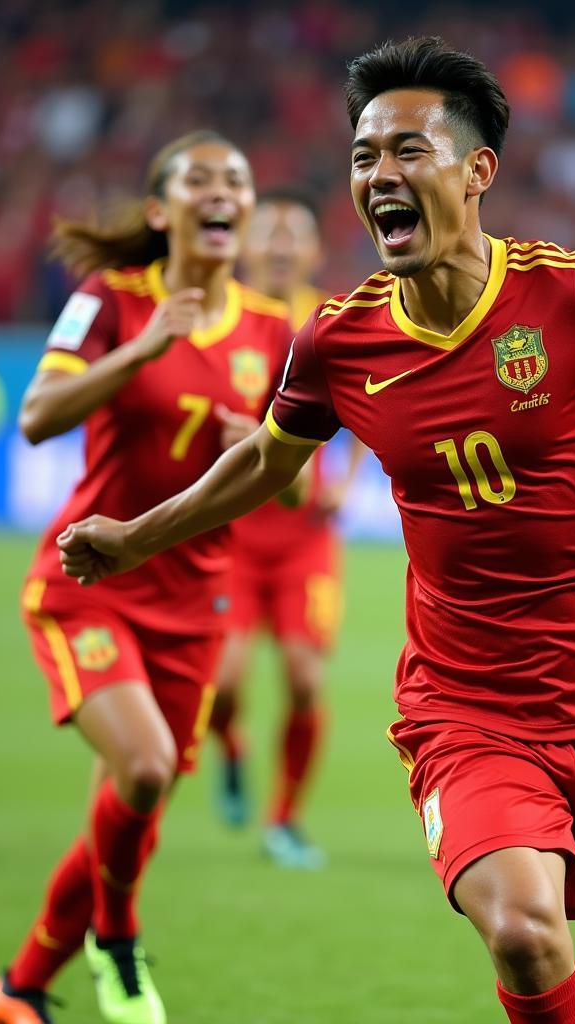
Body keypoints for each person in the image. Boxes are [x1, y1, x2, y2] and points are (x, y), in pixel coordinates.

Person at [56, 39, 575, 1024]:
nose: (379, 177)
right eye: (363, 158)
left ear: (477, 170)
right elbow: (266, 461)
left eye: (408, 151)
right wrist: (138, 535)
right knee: (527, 937)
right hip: (467, 705)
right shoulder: (338, 339)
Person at [0, 130, 292, 1024]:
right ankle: (116, 936)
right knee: (147, 770)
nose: (222, 190)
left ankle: (19, 990)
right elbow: (38, 415)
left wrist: (261, 454)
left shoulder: (273, 331)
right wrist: (142, 349)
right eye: (200, 178)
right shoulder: (111, 300)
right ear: (163, 211)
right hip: (91, 579)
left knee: (130, 803)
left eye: (237, 177)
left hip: (197, 601)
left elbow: (296, 482)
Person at [208, 188, 365, 867]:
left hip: (304, 538)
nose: (276, 246)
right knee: (223, 684)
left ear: (312, 251)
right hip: (234, 536)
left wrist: (350, 485)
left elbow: (368, 409)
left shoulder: (335, 322)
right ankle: (233, 746)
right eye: (265, 234)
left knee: (304, 681)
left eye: (290, 234)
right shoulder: (221, 320)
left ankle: (284, 820)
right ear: (244, 248)